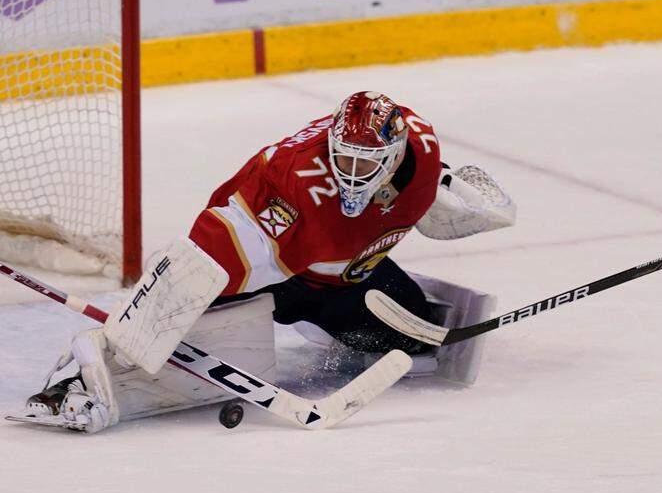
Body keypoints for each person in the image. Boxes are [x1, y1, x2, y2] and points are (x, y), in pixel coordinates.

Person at [14, 91, 514, 432]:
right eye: (343, 159)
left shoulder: (421, 148)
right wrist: (152, 318)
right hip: (288, 277)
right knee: (217, 287)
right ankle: (84, 375)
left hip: (345, 275)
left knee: (408, 343)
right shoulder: (297, 186)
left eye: (366, 164)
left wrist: (455, 199)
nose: (351, 174)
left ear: (395, 152)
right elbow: (217, 247)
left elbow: (424, 189)